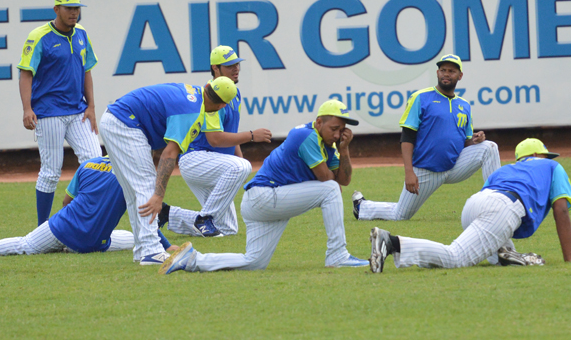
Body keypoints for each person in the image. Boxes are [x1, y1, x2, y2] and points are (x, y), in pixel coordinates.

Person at [159, 100, 371, 275]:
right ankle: (337, 254)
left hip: (261, 201)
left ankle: (192, 260)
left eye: (341, 131)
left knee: (254, 262)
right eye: (334, 129)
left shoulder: (328, 146)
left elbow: (344, 180)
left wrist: (344, 150)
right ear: (318, 122)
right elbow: (328, 181)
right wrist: (333, 181)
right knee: (330, 190)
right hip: (265, 196)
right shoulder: (306, 136)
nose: (337, 135)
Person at [369, 138, 571, 273]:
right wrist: (569, 258)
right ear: (538, 155)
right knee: (455, 257)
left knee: (490, 240)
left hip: (475, 204)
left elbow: (488, 195)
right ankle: (392, 243)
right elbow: (561, 209)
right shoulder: (552, 165)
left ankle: (506, 254)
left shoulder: (506, 170)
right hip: (504, 208)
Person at [99, 77, 237, 265]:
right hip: (125, 123)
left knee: (133, 192)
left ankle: (142, 248)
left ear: (207, 86)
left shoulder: (194, 95)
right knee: (146, 185)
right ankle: (151, 250)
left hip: (114, 119)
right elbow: (169, 155)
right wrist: (158, 195)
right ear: (222, 106)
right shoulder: (192, 112)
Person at [0, 156, 177, 260]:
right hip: (91, 242)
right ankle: (68, 249)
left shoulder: (88, 164)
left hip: (59, 226)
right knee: (136, 237)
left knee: (24, 244)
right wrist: (168, 245)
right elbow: (143, 217)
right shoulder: (131, 175)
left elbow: (66, 203)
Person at [353, 54, 500, 221]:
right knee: (401, 214)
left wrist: (476, 140)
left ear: (460, 76)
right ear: (437, 73)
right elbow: (407, 136)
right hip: (425, 169)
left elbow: (466, 142)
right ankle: (362, 207)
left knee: (489, 147)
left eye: (451, 71)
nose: (446, 74)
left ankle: (496, 203)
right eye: (443, 70)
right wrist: (409, 172)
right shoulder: (421, 97)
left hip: (454, 166)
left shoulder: (464, 105)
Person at [163, 45, 272, 237]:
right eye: (229, 65)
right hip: (197, 160)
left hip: (215, 165)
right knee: (240, 167)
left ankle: (168, 214)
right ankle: (204, 218)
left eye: (237, 64)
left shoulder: (233, 93)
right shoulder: (212, 95)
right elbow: (214, 139)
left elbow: (230, 134)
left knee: (227, 229)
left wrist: (240, 161)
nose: (236, 68)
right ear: (215, 68)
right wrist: (252, 136)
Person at [17, 0, 102, 227]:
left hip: (78, 111)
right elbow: (26, 74)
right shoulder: (39, 36)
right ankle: (42, 227)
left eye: (77, 8)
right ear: (57, 9)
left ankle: (81, 217)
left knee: (95, 161)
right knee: (51, 172)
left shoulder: (82, 33)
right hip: (48, 112)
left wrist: (92, 107)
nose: (74, 13)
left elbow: (87, 70)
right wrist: (27, 108)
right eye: (69, 8)